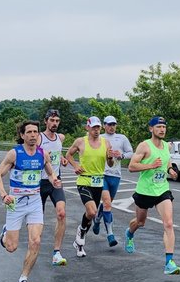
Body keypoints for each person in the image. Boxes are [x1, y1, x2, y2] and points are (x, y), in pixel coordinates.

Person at [0, 120, 61, 282]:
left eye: (35, 132)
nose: (33, 135)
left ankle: (23, 280)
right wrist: (3, 195)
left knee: (36, 241)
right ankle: (5, 234)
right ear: (22, 135)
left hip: (34, 202)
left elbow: (50, 170)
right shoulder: (14, 154)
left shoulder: (42, 154)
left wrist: (53, 179)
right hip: (15, 203)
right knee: (11, 247)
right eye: (29, 132)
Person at [124, 116, 180, 275]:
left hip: (162, 190)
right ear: (151, 129)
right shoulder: (144, 146)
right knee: (140, 222)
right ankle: (129, 233)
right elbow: (131, 166)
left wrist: (170, 170)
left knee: (169, 223)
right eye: (158, 127)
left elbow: (167, 161)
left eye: (164, 127)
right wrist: (151, 165)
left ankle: (169, 262)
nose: (162, 129)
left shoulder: (167, 146)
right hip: (145, 191)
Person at [64, 116, 114, 258]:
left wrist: (110, 158)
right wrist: (75, 165)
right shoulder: (81, 141)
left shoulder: (106, 143)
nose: (96, 130)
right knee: (91, 212)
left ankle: (80, 242)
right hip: (84, 181)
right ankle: (81, 231)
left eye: (98, 127)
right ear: (88, 128)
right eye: (94, 128)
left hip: (98, 182)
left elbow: (110, 164)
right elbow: (68, 154)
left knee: (90, 216)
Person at [92, 115, 133, 247]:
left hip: (115, 175)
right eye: (109, 124)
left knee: (106, 205)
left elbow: (130, 152)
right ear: (104, 125)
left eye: (114, 124)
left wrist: (121, 156)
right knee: (107, 204)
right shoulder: (100, 138)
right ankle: (110, 235)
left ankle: (97, 219)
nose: (111, 127)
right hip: (102, 173)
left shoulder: (122, 138)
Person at [37, 108, 68, 266]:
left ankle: (57, 252)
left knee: (61, 213)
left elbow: (57, 152)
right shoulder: (39, 138)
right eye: (52, 120)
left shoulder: (60, 138)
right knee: (37, 220)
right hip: (40, 183)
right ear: (46, 121)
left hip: (56, 181)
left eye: (57, 121)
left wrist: (62, 158)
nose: (55, 124)